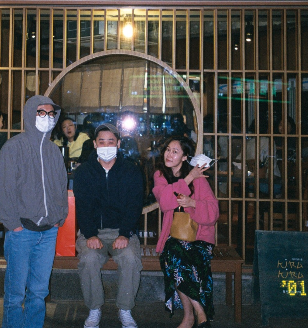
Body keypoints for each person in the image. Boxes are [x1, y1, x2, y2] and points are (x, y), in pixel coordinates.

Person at [0, 95, 69, 327]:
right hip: (22, 231)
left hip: (48, 232)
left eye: (51, 114)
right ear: (30, 114)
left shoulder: (53, 151)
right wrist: (13, 224)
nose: (47, 117)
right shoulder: (14, 147)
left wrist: (59, 217)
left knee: (39, 292)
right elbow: (3, 189)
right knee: (15, 294)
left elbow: (61, 186)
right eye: (41, 113)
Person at [73, 123, 144, 328]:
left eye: (110, 141)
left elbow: (134, 205)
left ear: (118, 144)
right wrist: (89, 234)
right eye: (101, 142)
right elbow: (82, 206)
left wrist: (125, 233)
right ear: (95, 144)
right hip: (92, 232)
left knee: (130, 258)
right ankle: (94, 309)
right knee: (88, 259)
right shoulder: (84, 172)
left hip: (121, 231)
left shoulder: (131, 171)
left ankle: (125, 309)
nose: (106, 146)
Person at [152, 136, 219, 328]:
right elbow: (165, 202)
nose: (169, 154)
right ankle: (200, 314)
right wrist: (189, 178)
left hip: (199, 238)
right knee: (175, 252)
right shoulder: (160, 175)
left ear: (184, 157)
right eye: (167, 150)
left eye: (175, 151)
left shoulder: (200, 180)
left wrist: (193, 203)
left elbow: (213, 212)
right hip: (173, 237)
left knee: (178, 258)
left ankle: (189, 318)